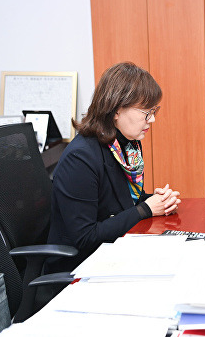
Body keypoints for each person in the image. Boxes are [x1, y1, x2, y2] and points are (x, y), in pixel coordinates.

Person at [46, 62, 180, 273]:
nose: (152, 119)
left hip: (113, 252)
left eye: (154, 110)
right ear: (117, 110)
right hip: (80, 267)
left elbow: (120, 204)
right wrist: (146, 209)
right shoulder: (80, 158)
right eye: (146, 111)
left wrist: (156, 201)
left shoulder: (126, 145)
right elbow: (85, 236)